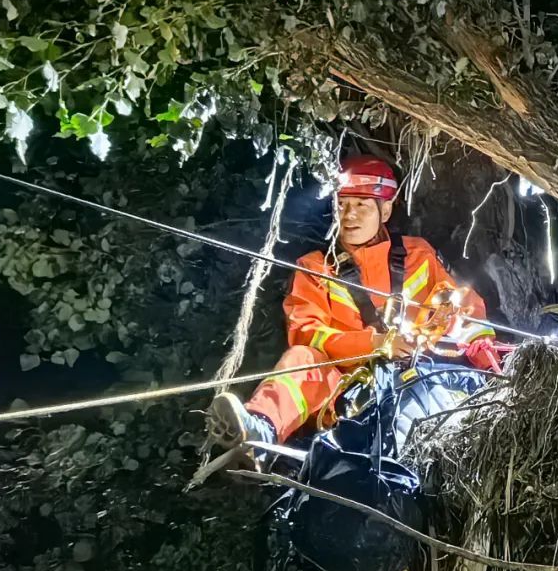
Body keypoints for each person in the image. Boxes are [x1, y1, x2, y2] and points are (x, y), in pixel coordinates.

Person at [210, 155, 499, 448]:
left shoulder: (417, 255)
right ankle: (261, 427)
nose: (349, 215)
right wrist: (373, 344)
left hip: (425, 375)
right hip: (352, 392)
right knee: (302, 358)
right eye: (342, 205)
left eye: (361, 205)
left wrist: (483, 349)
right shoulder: (316, 267)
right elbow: (308, 333)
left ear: (385, 210)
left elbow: (459, 303)